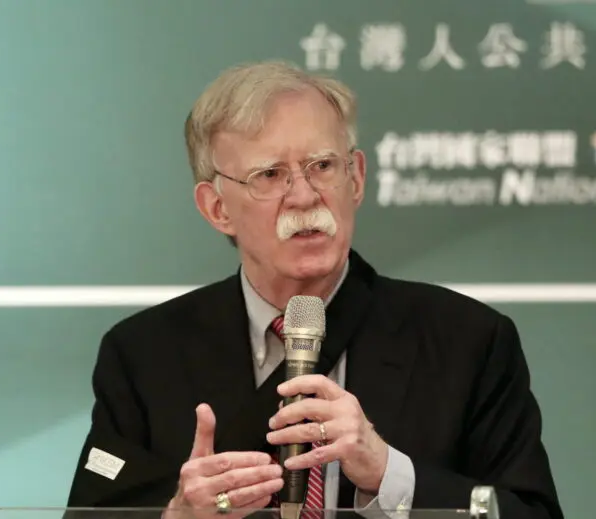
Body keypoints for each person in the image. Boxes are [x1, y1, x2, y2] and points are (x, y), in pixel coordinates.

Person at [66, 60, 563, 519]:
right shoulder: (143, 355)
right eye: (269, 175)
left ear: (357, 178)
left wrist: (389, 474)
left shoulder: (468, 341)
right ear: (216, 208)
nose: (304, 196)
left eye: (323, 166)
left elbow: (531, 514)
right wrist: (177, 515)